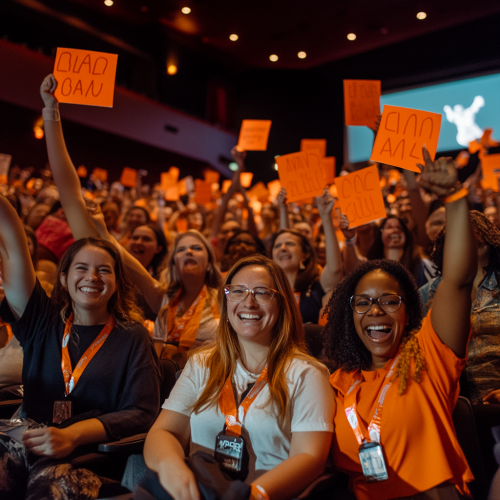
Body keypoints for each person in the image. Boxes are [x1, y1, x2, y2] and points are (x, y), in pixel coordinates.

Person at [40, 74, 221, 368]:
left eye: (197, 248)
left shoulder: (228, 298)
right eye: (182, 248)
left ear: (211, 262)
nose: (188, 251)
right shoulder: (161, 296)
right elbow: (70, 192)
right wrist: (51, 110)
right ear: (171, 260)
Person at [324, 149, 476, 499]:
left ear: (409, 310)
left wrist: (454, 198)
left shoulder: (428, 353)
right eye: (363, 303)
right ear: (350, 315)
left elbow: (458, 280)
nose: (375, 311)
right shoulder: (338, 383)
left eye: (389, 301)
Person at [0, 194, 161, 499]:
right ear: (63, 277)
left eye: (104, 270)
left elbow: (142, 411)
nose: (92, 277)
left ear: (116, 282)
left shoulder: (132, 336)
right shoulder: (42, 320)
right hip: (28, 442)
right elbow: (10, 242)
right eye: (81, 268)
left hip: (86, 456)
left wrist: (72, 435)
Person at [139, 255, 335, 500]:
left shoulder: (307, 374)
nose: (248, 302)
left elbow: (309, 457)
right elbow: (163, 432)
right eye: (238, 291)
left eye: (262, 292)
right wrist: (172, 467)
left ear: (281, 304)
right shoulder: (202, 363)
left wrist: (253, 495)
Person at [272, 188, 343, 324]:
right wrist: (283, 209)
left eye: (290, 244)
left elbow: (335, 269)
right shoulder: (266, 288)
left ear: (305, 254)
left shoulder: (316, 287)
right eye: (277, 246)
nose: (283, 248)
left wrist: (326, 217)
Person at [342, 215, 436, 288]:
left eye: (399, 228)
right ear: (380, 234)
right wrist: (349, 239)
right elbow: (352, 270)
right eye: (389, 227)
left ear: (406, 236)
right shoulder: (371, 265)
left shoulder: (423, 265)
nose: (395, 230)